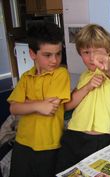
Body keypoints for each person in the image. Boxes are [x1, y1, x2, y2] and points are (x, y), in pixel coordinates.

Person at [7, 22, 71, 177]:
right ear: (32, 53)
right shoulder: (26, 77)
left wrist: (27, 103)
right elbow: (13, 108)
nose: (54, 60)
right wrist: (37, 105)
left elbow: (50, 107)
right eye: (47, 55)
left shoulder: (60, 74)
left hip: (49, 145)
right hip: (22, 143)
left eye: (58, 54)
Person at [56, 24, 110, 173]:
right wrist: (87, 86)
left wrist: (107, 63)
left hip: (100, 139)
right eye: (86, 52)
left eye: (97, 51)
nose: (92, 58)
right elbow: (68, 105)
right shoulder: (84, 76)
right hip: (73, 135)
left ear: (108, 51)